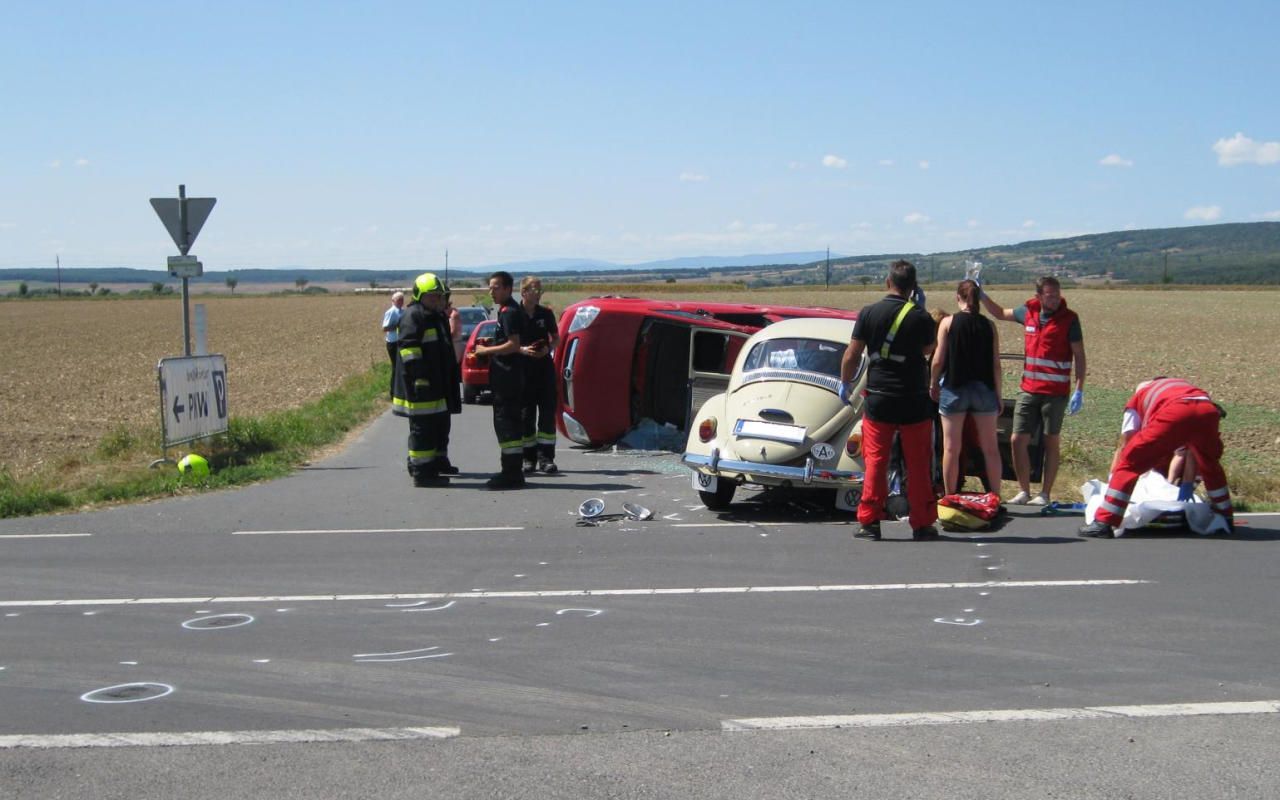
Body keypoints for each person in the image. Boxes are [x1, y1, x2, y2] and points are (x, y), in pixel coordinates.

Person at [839, 259, 939, 541]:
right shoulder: (920, 317)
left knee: (876, 462)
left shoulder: (869, 313)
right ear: (914, 287)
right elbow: (929, 347)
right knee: (918, 464)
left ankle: (869, 522)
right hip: (913, 399)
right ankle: (921, 524)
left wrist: (844, 383)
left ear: (888, 282)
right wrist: (919, 311)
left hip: (880, 398)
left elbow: (852, 353)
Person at [1079, 378, 1233, 538]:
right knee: (1210, 464)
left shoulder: (1138, 398)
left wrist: (1115, 478)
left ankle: (1105, 522)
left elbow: (1127, 440)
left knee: (1130, 461)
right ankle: (1225, 516)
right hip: (1207, 410)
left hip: (1176, 411)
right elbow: (1191, 451)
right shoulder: (1179, 385)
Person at [980, 276, 1086, 506]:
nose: (1055, 299)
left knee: (1050, 442)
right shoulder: (1027, 312)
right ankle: (1024, 491)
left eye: (1057, 295)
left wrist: (1079, 388)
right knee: (1017, 439)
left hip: (1056, 393)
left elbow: (1079, 355)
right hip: (1028, 389)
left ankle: (1045, 494)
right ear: (1039, 296)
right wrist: (982, 295)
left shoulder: (1070, 319)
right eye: (1050, 296)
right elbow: (999, 313)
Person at [930, 279, 1002, 497]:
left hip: (954, 388)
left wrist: (933, 383)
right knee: (991, 449)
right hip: (983, 390)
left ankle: (950, 496)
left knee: (951, 448)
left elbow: (938, 360)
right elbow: (995, 364)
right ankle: (995, 496)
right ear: (979, 298)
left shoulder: (948, 323)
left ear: (957, 297)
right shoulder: (989, 326)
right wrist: (998, 395)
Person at [391, 274, 455, 487]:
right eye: (431, 296)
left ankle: (431, 467)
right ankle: (422, 473)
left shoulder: (434, 315)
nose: (436, 300)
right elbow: (408, 350)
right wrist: (419, 378)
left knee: (435, 427)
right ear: (419, 295)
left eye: (438, 296)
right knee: (423, 430)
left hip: (435, 384)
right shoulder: (413, 315)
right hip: (420, 386)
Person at [472, 271, 527, 489]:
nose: (491, 292)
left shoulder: (510, 312)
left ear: (507, 289)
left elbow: (513, 344)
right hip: (505, 377)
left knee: (507, 425)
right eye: (490, 287)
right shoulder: (504, 311)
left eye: (495, 287)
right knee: (507, 424)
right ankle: (512, 470)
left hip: (508, 379)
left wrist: (486, 350)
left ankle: (511, 473)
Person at [518, 276, 560, 474]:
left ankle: (546, 458)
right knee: (526, 416)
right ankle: (528, 458)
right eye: (534, 290)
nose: (537, 294)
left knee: (546, 416)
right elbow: (507, 342)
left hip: (544, 370)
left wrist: (548, 349)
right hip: (523, 370)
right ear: (523, 292)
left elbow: (556, 339)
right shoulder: (514, 314)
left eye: (539, 290)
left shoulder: (546, 314)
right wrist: (523, 350)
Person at [381, 291, 405, 400]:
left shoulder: (403, 311)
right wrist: (398, 325)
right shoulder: (391, 312)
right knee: (396, 367)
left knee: (401, 367)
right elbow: (385, 328)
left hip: (400, 341)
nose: (401, 301)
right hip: (392, 343)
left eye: (402, 299)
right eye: (398, 300)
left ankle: (400, 390)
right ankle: (393, 393)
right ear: (393, 301)